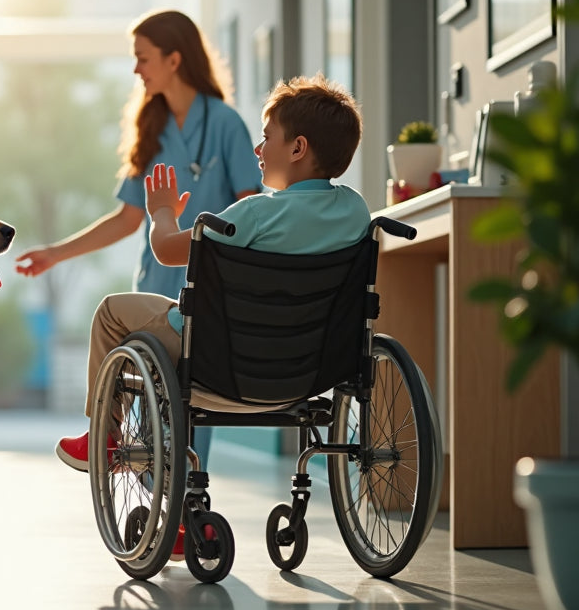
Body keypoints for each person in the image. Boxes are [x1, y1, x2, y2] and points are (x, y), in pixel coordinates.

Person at [80, 74, 370, 558]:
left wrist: (164, 214)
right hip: (310, 369)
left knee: (111, 312)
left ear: (297, 148)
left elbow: (169, 251)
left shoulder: (251, 214)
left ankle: (104, 436)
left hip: (223, 363)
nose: (258, 150)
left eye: (267, 137)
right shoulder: (356, 214)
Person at [15, 10, 261, 470]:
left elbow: (251, 209)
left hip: (210, 288)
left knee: (191, 414)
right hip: (156, 281)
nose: (135, 70)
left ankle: (185, 505)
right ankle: (153, 506)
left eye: (142, 58)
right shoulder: (150, 128)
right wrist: (56, 253)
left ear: (174, 59)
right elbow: (127, 219)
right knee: (151, 410)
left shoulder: (226, 124)